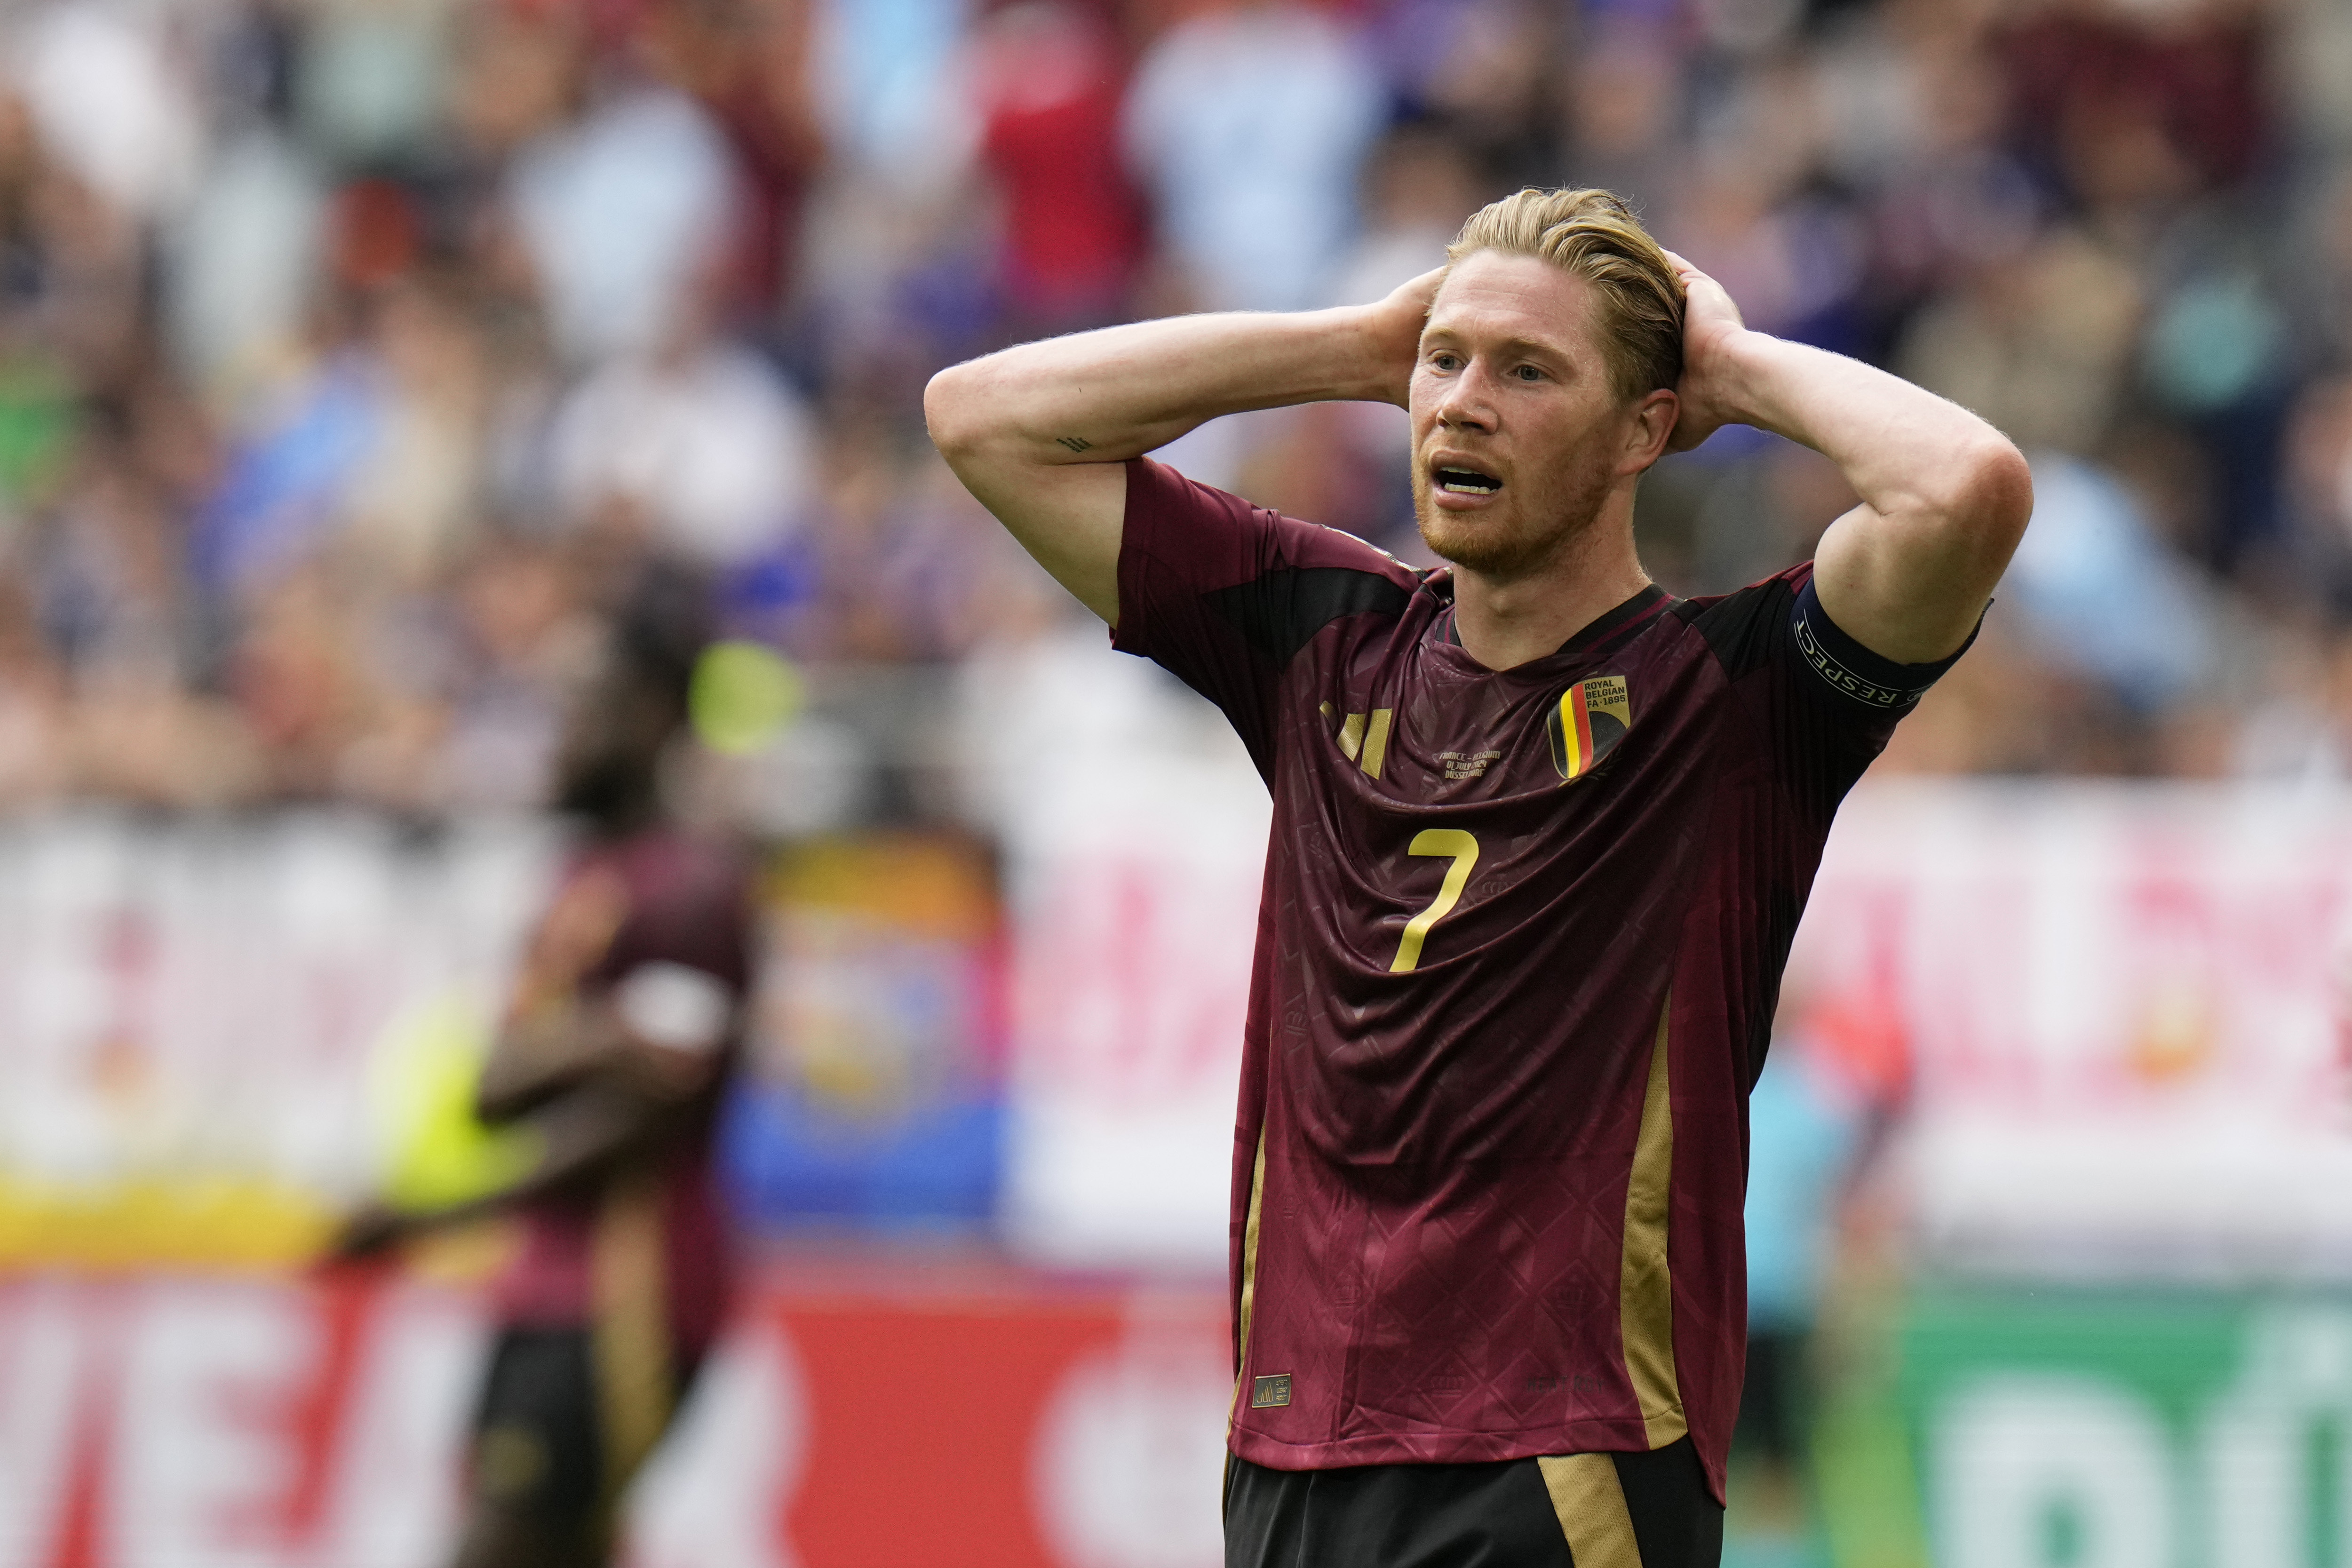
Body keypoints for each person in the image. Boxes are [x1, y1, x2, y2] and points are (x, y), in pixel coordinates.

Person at [925, 187, 2030, 1565]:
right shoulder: (1317, 635)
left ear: (1644, 428)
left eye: (1527, 370)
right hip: (1293, 1440)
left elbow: (1965, 488)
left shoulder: (1738, 699)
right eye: (1446, 361)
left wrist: (1729, 365)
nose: (1461, 402)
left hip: (1560, 1452)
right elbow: (985, 417)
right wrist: (1352, 346)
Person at [327, 589, 757, 1568]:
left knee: (499, 1544)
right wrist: (592, 1038)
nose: (552, 735)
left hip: (629, 1285)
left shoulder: (688, 885)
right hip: (540, 1281)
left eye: (578, 705)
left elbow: (647, 1107)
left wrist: (433, 1212)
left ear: (648, 713)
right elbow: (498, 1085)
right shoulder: (581, 875)